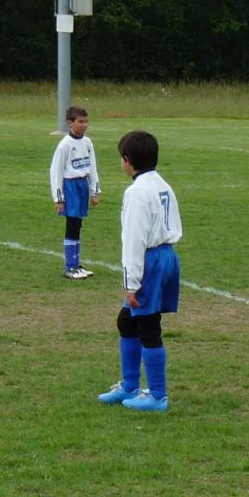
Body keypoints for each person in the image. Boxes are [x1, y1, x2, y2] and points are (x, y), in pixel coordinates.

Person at [98, 131, 182, 412]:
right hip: (167, 255)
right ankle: (130, 385)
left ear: (127, 160)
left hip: (150, 260)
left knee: (147, 324)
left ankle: (157, 395)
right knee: (127, 321)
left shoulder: (136, 193)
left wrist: (131, 283)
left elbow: (134, 240)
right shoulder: (162, 184)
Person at [49, 106, 101, 279]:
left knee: (78, 224)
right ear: (70, 123)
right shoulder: (65, 145)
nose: (84, 125)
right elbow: (56, 171)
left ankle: (76, 265)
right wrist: (58, 198)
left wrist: (95, 191)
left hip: (82, 185)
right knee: (72, 224)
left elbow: (92, 167)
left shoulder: (87, 142)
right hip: (70, 186)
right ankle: (70, 267)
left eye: (86, 121)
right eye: (80, 121)